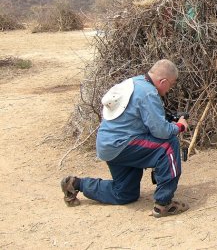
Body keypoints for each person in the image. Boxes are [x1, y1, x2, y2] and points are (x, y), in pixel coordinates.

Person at [60, 59, 190, 218]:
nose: (169, 89)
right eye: (171, 84)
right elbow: (161, 131)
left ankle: (76, 184)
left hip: (108, 146)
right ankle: (164, 204)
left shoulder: (133, 82)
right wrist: (179, 126)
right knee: (168, 145)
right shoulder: (148, 92)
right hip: (124, 144)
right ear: (163, 81)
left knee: (125, 193)